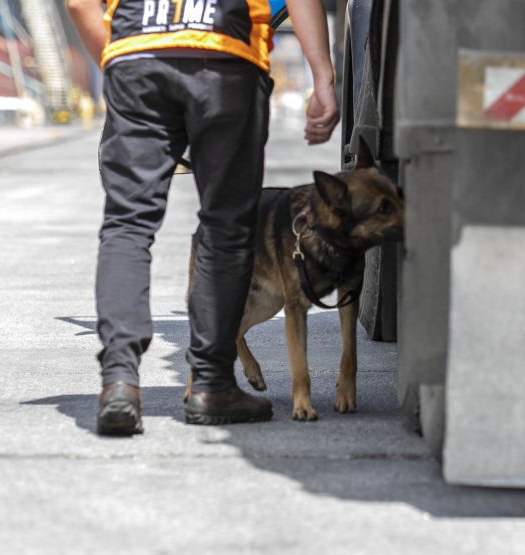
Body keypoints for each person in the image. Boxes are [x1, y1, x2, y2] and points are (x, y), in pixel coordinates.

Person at [67, 0, 340, 435]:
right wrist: (323, 75)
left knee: (127, 224)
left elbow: (79, 3)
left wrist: (121, 65)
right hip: (226, 54)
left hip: (138, 50)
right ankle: (212, 385)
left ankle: (119, 379)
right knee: (226, 227)